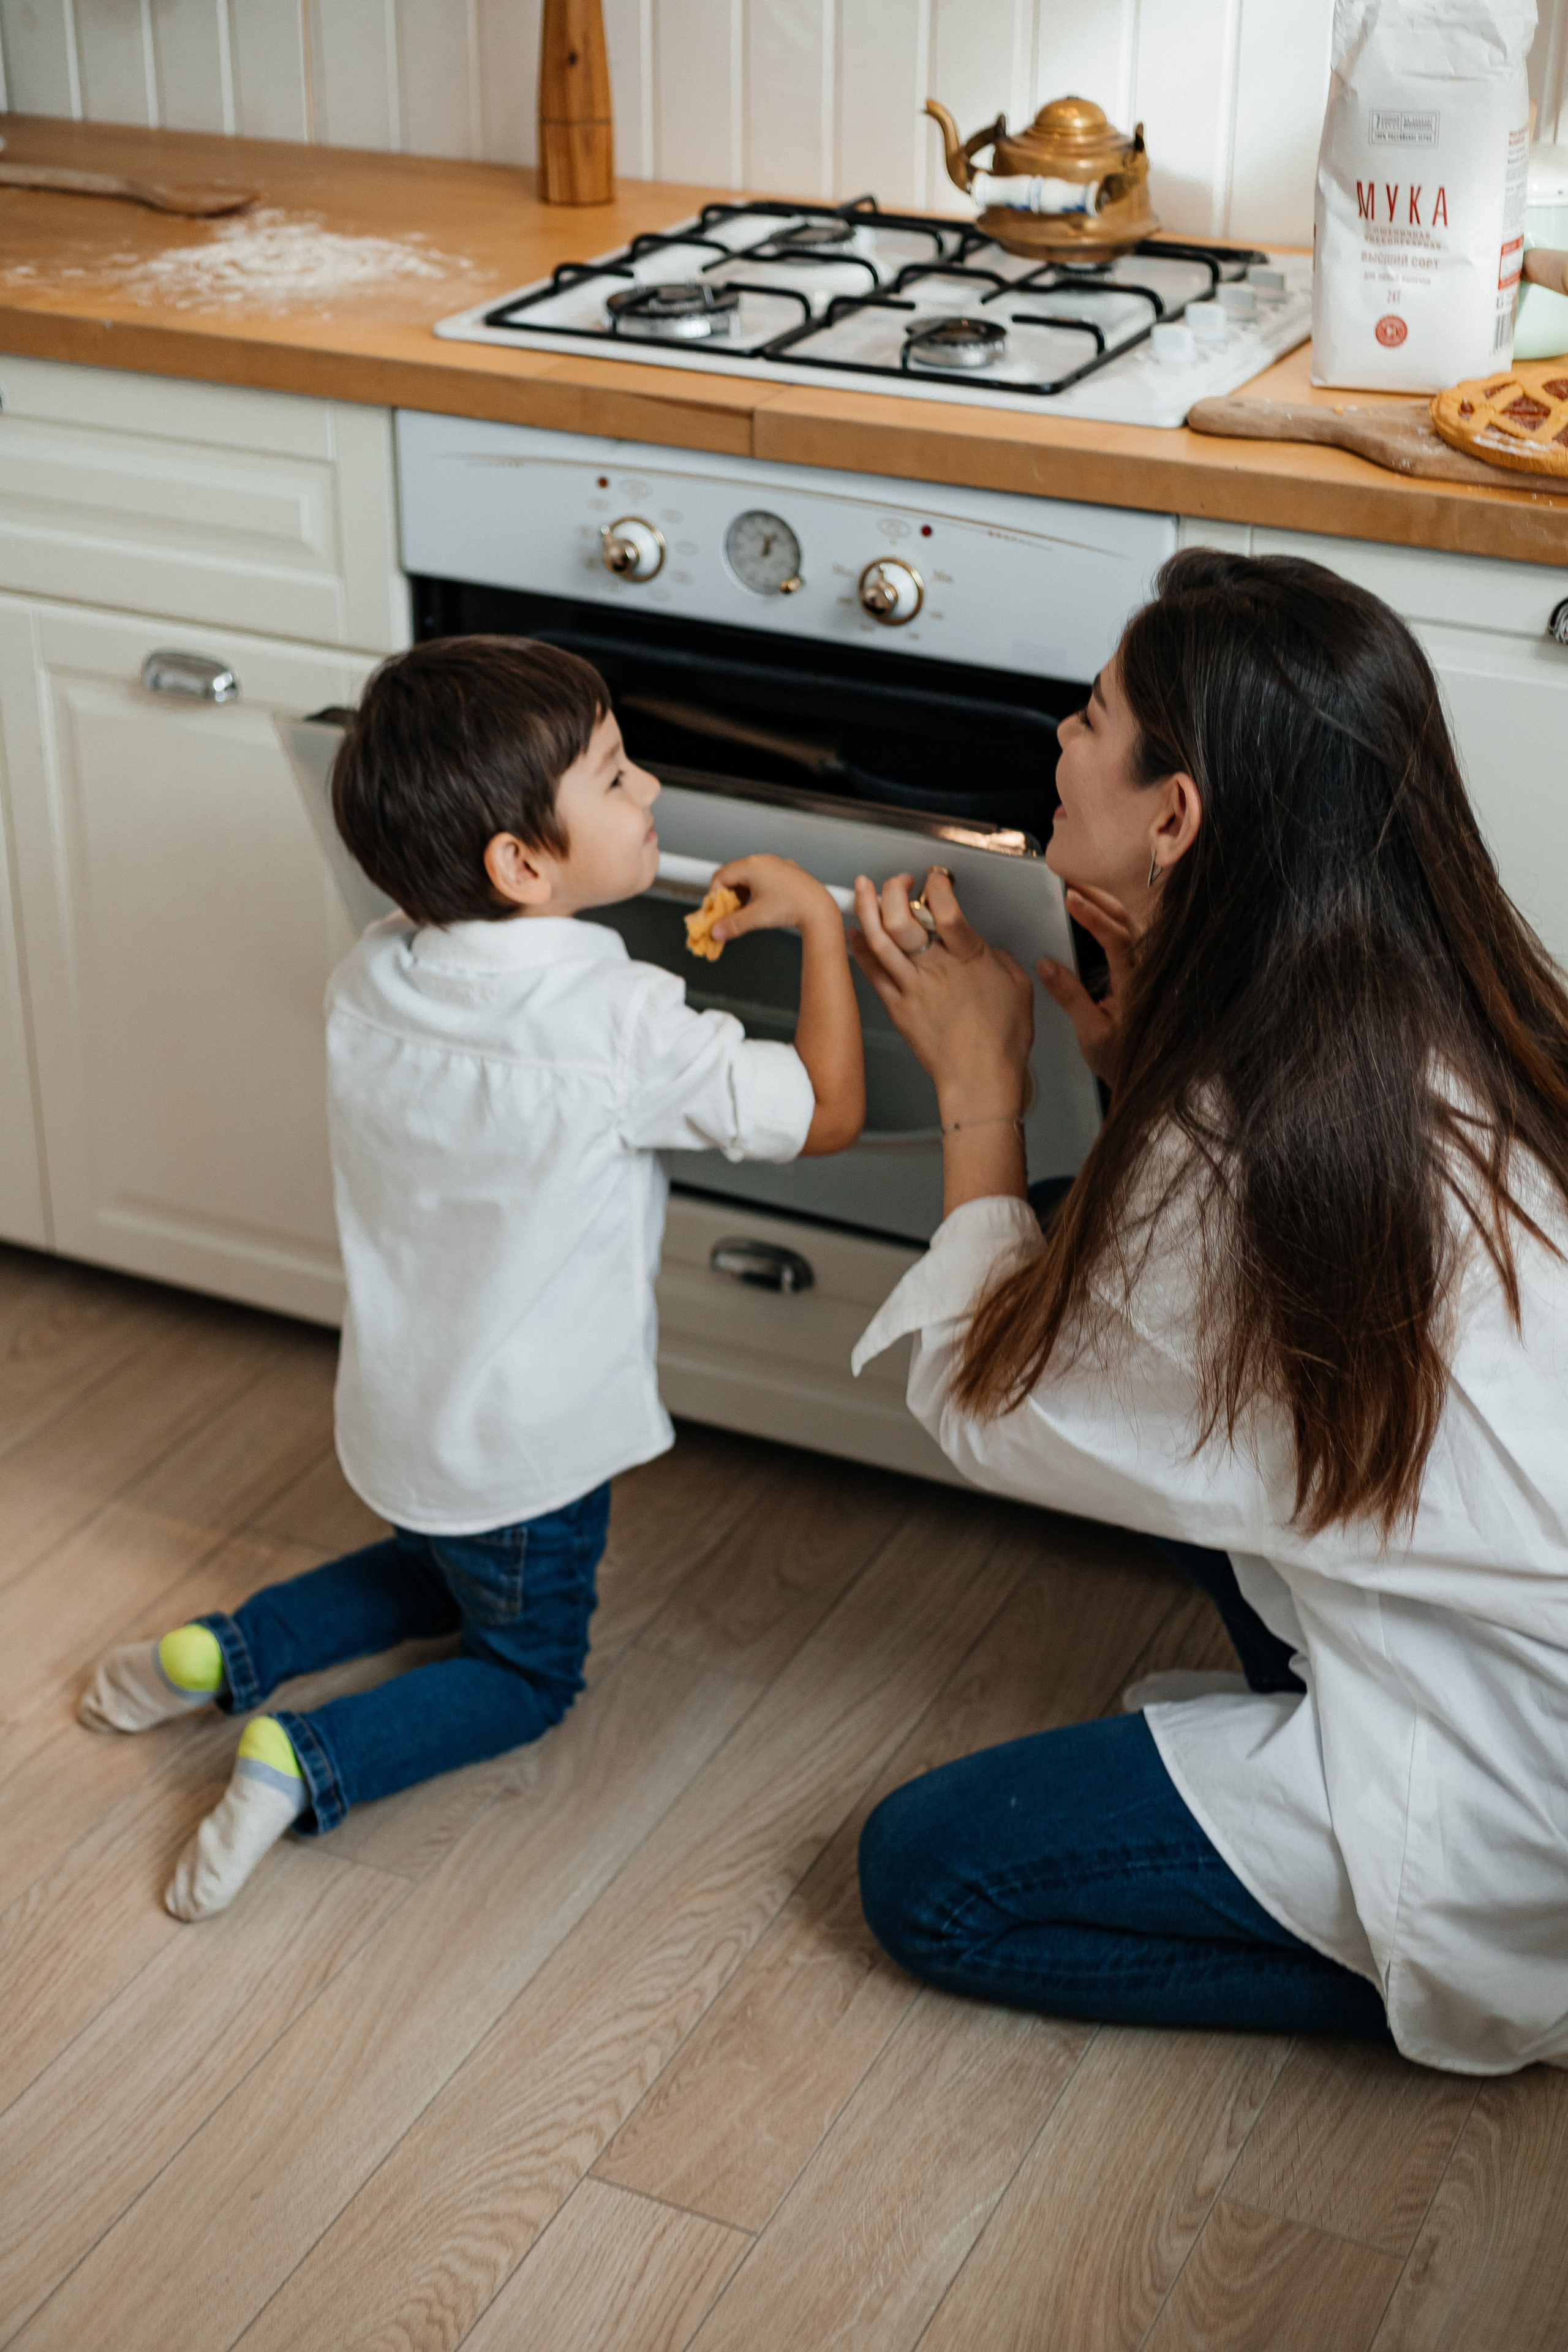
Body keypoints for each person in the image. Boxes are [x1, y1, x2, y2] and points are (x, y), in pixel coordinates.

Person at [846, 548, 1568, 2075]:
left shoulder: (1238, 1145)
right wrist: (1122, 1079)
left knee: (931, 1879)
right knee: (1074, 1257)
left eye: (1091, 714)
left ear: (1174, 817)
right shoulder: (1436, 996)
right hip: (1490, 1597)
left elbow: (995, 1414)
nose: (1058, 732)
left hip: (1514, 1771)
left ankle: (1479, 1987)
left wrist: (980, 1092)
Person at [80, 635, 864, 1919]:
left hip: (404, 1410)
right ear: (518, 863)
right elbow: (824, 1111)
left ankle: (215, 1655)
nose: (650, 790)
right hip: (530, 1442)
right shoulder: (614, 1024)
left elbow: (466, 946)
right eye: (614, 779)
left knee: (427, 1569)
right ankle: (306, 1756)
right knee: (523, 1666)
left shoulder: (374, 971)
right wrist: (821, 927)